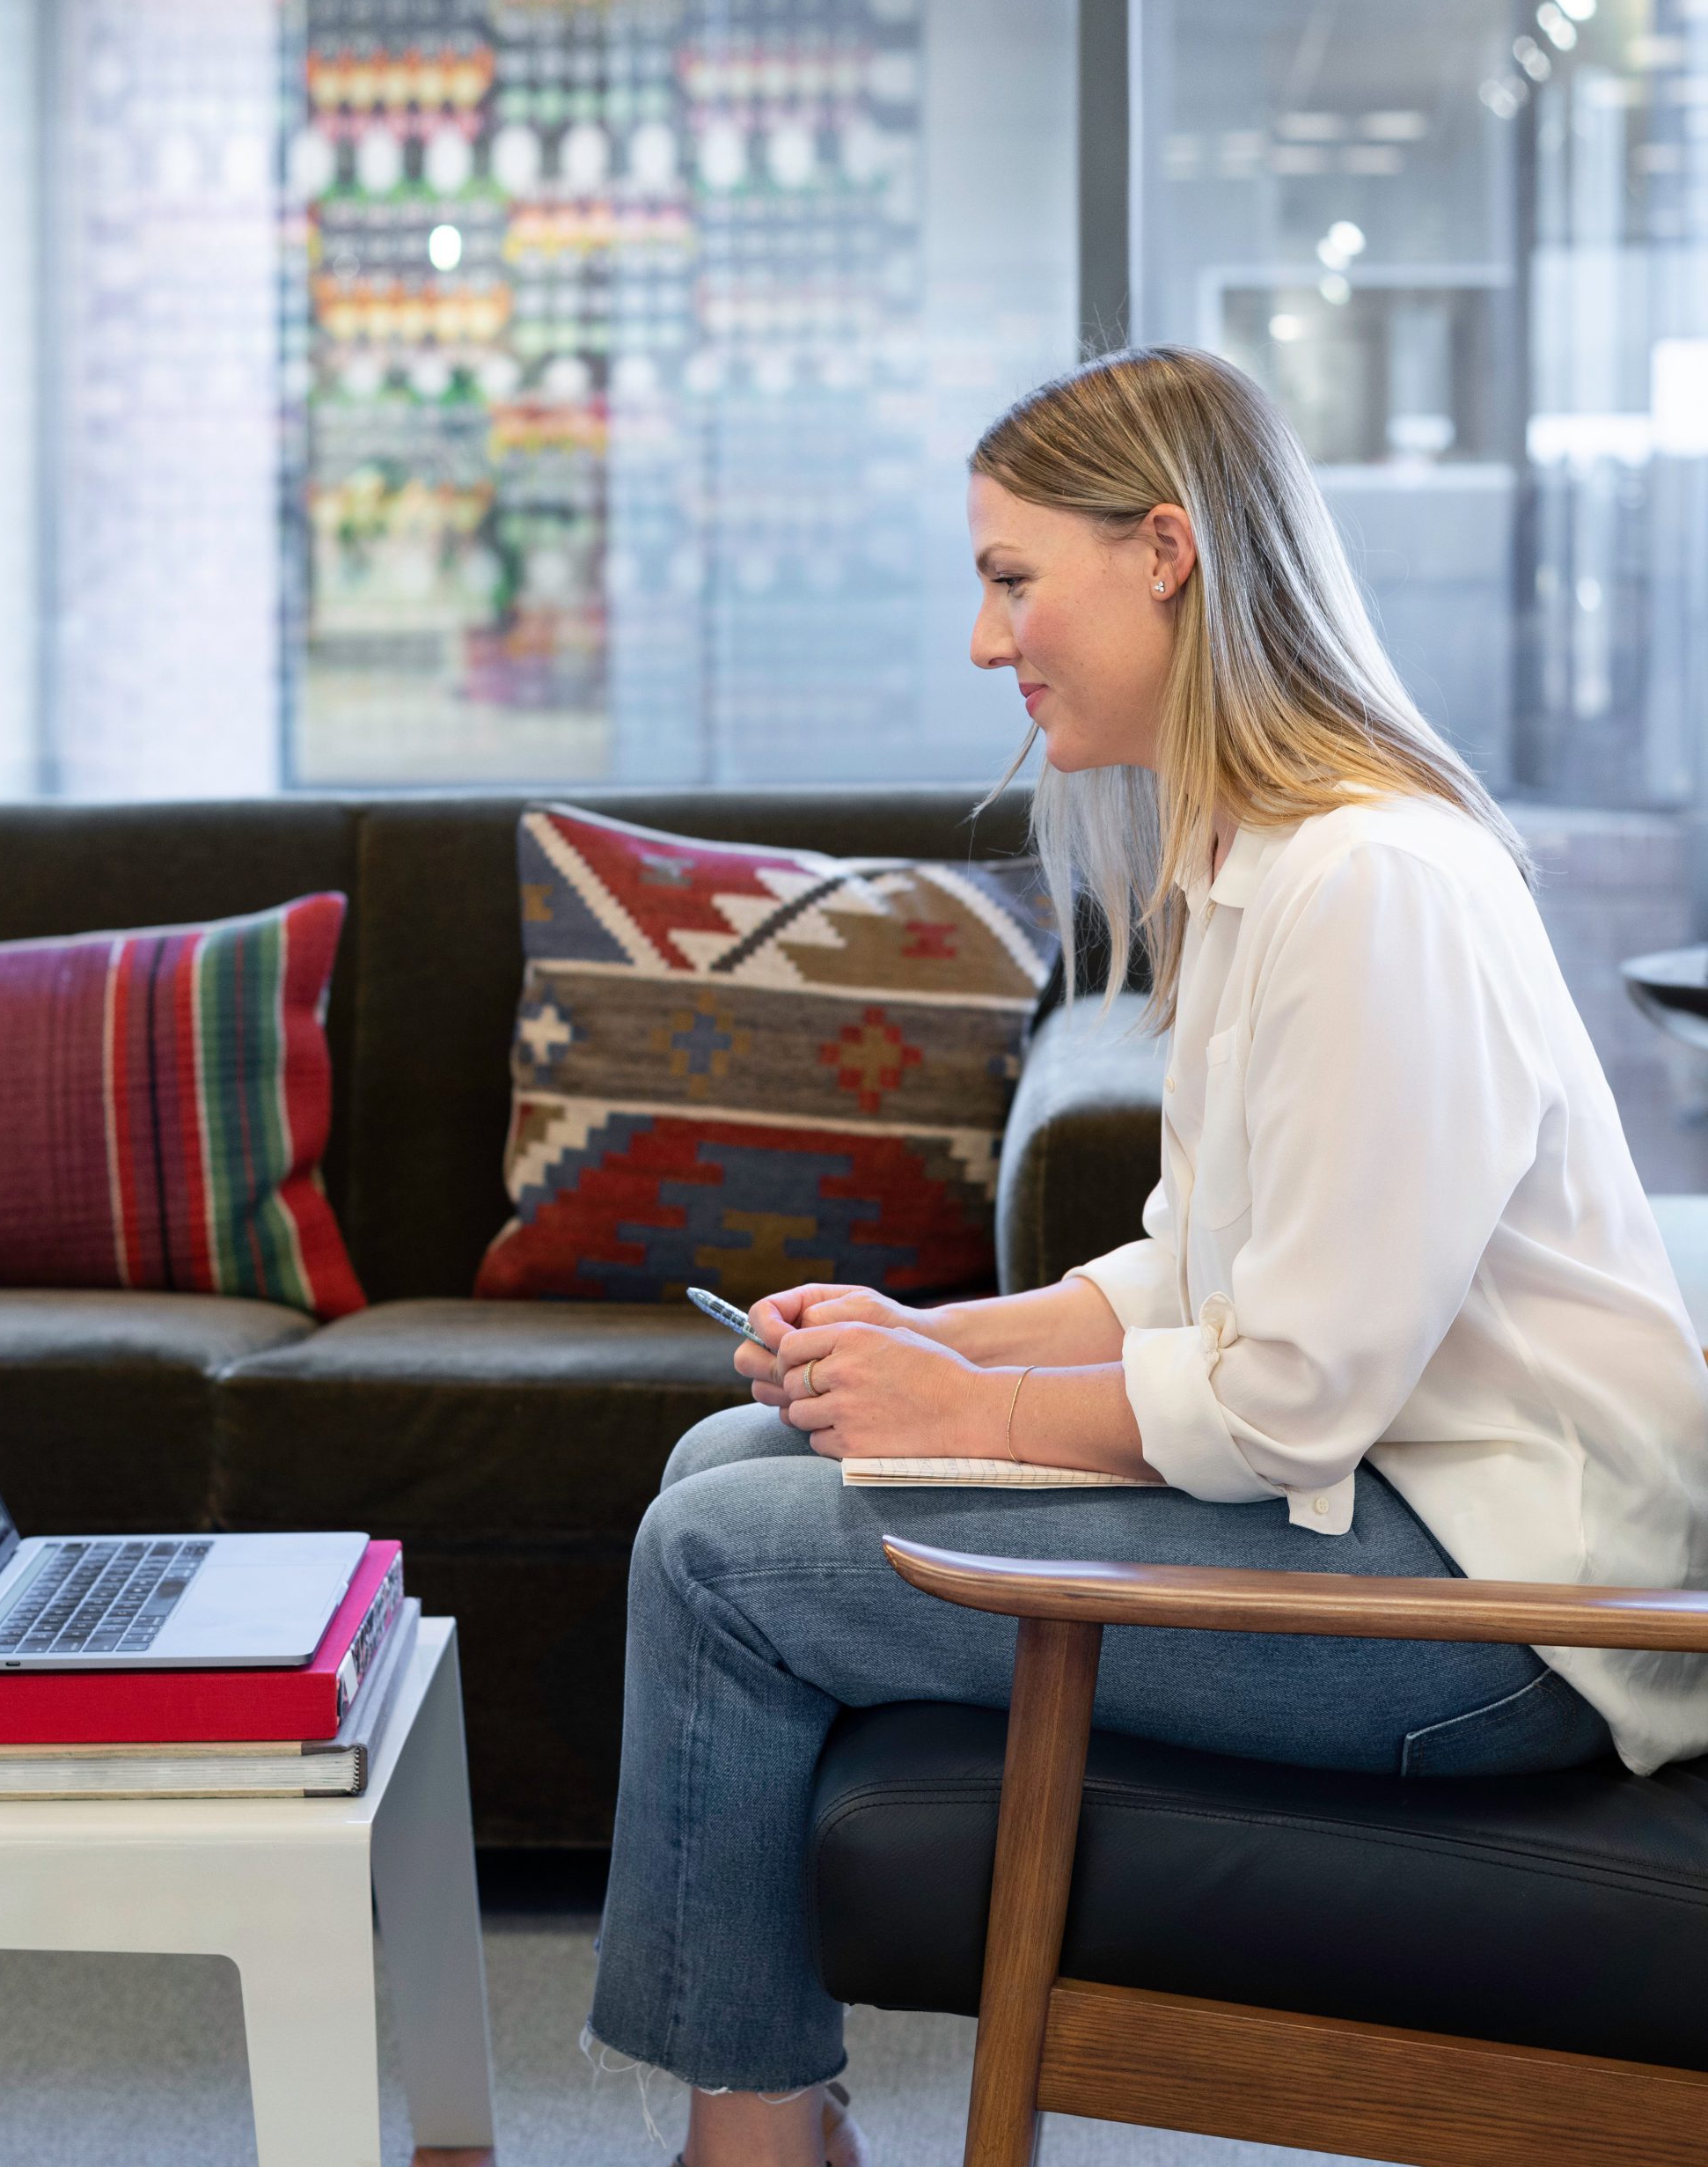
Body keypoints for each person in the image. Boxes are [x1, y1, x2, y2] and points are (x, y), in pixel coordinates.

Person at [581, 345, 1708, 2167]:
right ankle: (768, 2125)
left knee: (716, 1552)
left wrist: (965, 1403)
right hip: (1407, 1528)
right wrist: (924, 1336)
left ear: (1165, 552)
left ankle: (752, 2143)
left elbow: (1287, 1396)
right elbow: (1191, 1263)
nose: (982, 641)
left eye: (1011, 577)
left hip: (1514, 1617)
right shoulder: (1267, 856)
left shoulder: (1369, 885)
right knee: (734, 1457)